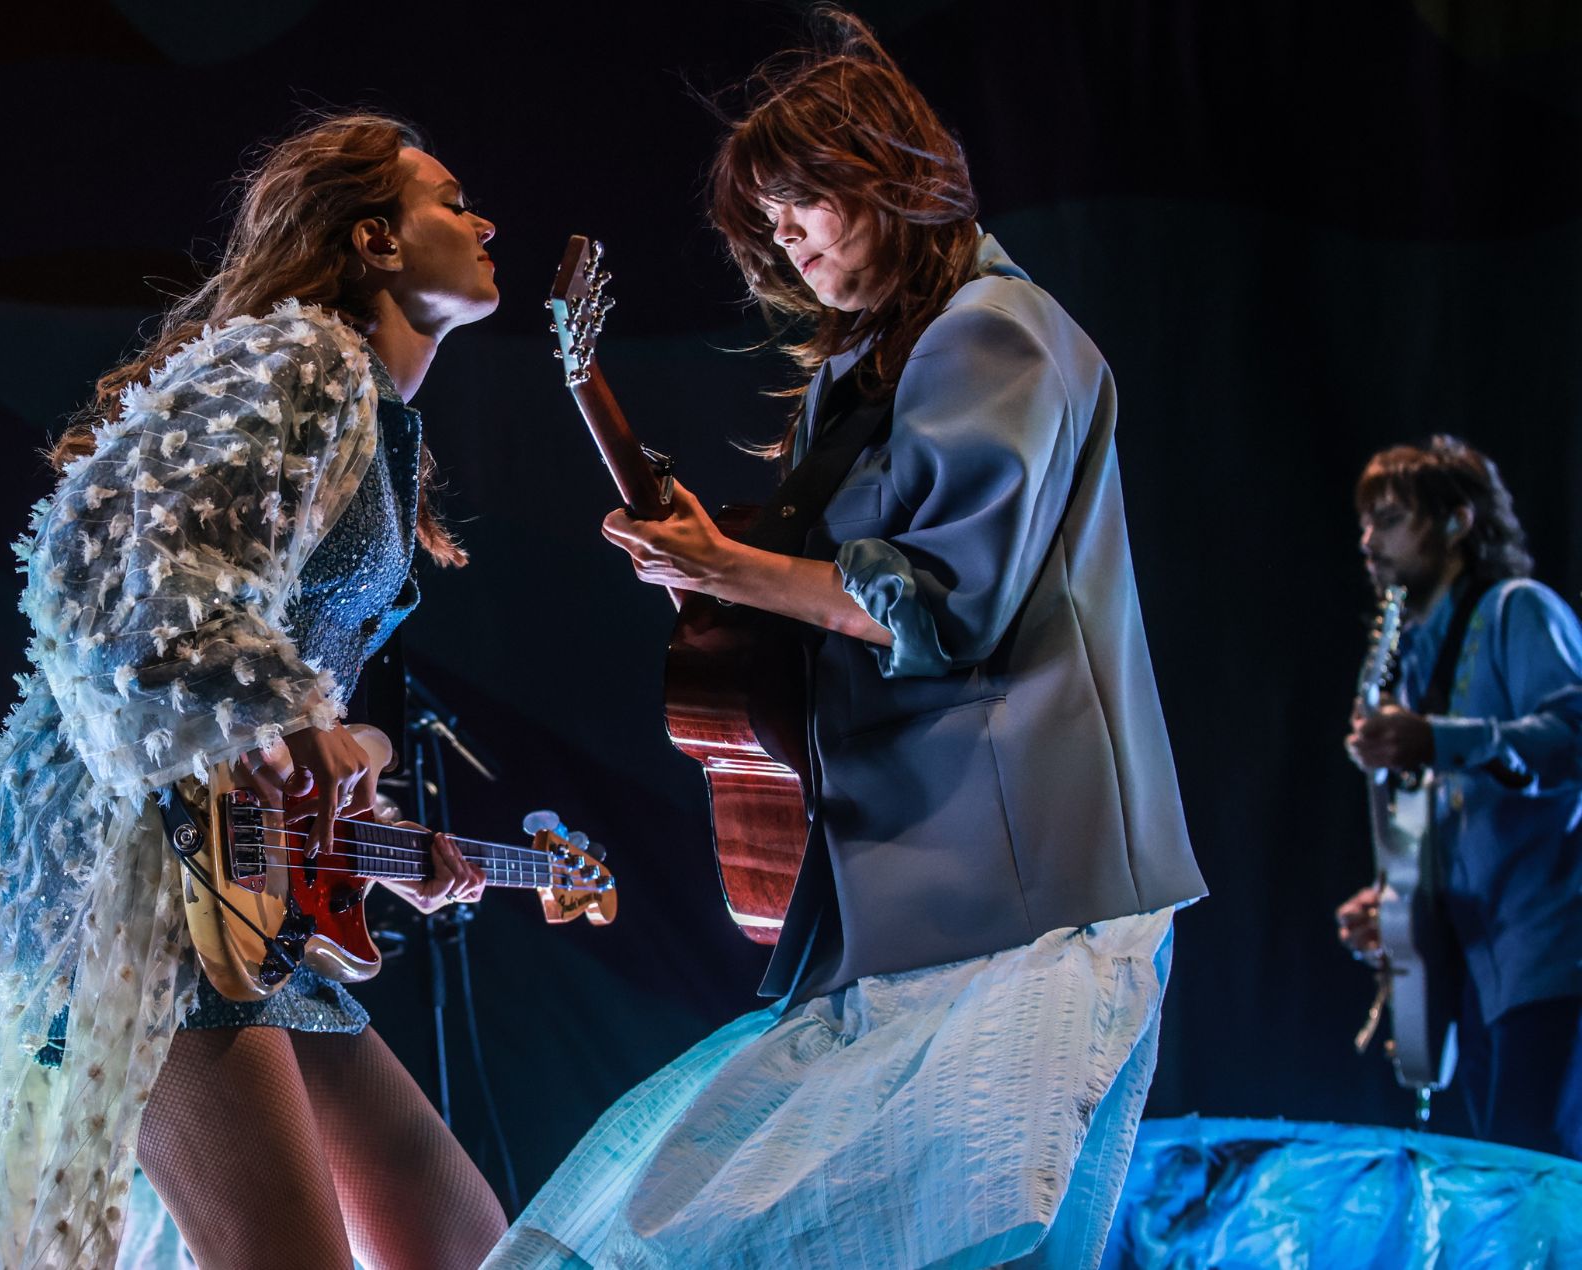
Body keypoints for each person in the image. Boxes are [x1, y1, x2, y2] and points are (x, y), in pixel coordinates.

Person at [487, 12, 1205, 1269]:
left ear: (886, 178)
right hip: (920, 892)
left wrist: (729, 565)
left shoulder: (993, 331)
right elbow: (819, 614)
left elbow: (938, 606)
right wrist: (716, 582)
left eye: (799, 201)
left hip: (1019, 888)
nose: (782, 236)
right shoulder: (863, 369)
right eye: (763, 218)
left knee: (959, 1229)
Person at [0, 113, 509, 1270]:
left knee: (455, 1241)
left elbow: (263, 712)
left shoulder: (373, 414)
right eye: (451, 202)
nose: (485, 223)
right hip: (131, 877)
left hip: (235, 892)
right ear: (375, 240)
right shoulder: (300, 356)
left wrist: (349, 829)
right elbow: (98, 548)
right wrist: (285, 713)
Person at [1336, 435, 1582, 1158]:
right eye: (1365, 522)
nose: (1367, 540)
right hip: (1477, 974)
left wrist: (1437, 740)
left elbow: (1573, 732)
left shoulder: (1516, 610)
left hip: (1551, 954)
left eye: (1389, 519)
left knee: (1537, 1176)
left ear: (1456, 522)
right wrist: (1397, 902)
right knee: (1497, 1176)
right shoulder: (1410, 662)